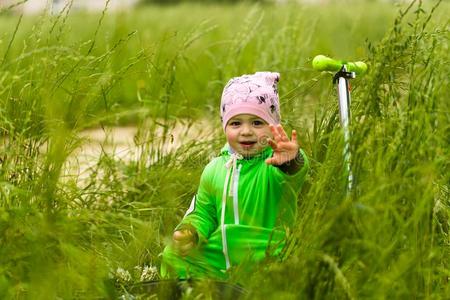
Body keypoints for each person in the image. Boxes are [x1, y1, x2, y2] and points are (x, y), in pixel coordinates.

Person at [161, 72, 309, 281]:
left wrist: (291, 160)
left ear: (273, 126)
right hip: (224, 254)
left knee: (282, 268)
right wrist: (191, 232)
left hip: (266, 250)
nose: (246, 131)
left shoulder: (274, 165)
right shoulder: (214, 169)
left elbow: (296, 173)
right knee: (173, 255)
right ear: (224, 126)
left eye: (257, 123)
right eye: (236, 123)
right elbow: (204, 212)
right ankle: (199, 290)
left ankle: (252, 288)